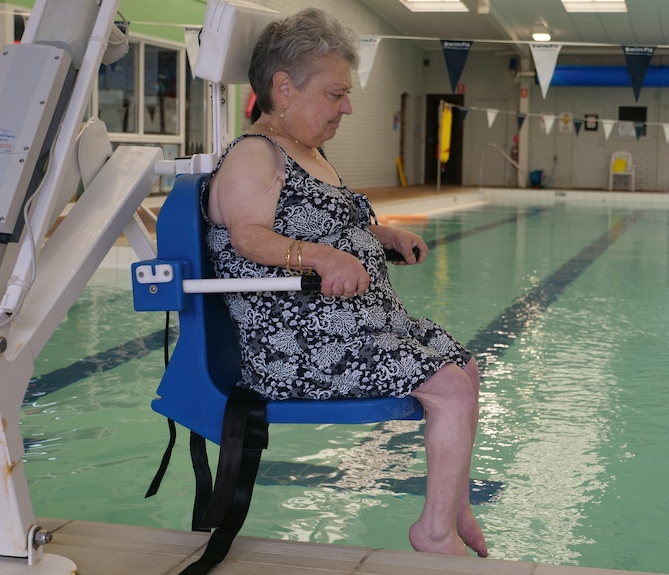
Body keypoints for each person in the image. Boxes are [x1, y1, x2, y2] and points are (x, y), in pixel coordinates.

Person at [201, 7, 487, 558]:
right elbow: (249, 238)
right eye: (335, 94)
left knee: (466, 367)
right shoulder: (254, 155)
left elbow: (332, 223)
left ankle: (453, 509)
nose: (347, 106)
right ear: (283, 89)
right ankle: (433, 532)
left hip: (356, 329)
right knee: (448, 386)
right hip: (298, 346)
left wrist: (381, 234)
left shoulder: (308, 154)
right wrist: (320, 257)